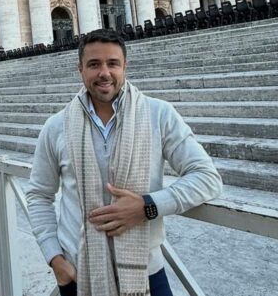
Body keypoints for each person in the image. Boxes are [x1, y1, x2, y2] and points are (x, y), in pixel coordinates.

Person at [25, 29, 223, 296]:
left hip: (146, 272)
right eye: (94, 64)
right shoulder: (56, 126)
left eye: (113, 63)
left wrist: (147, 206)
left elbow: (207, 177)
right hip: (78, 273)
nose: (104, 73)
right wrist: (54, 258)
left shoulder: (159, 114)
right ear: (80, 69)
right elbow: (39, 195)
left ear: (124, 66)